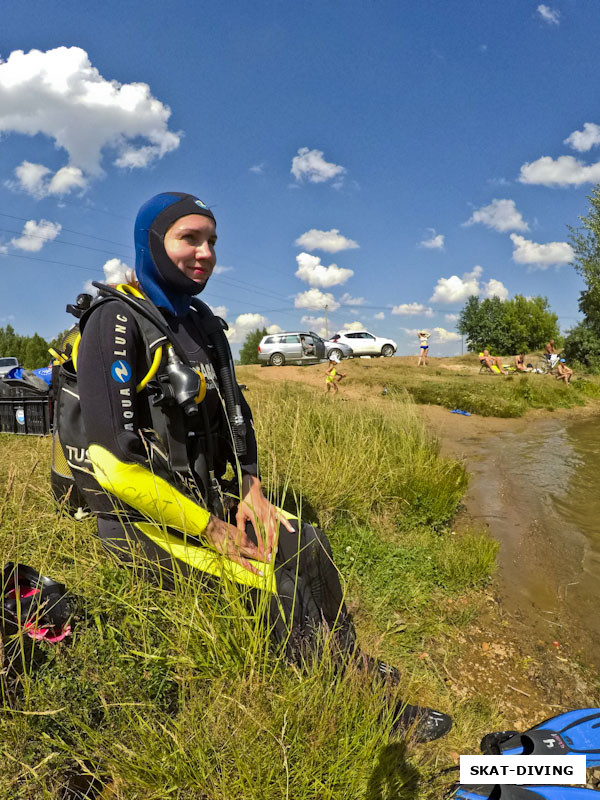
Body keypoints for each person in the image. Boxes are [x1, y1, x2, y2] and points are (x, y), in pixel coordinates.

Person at [73, 191, 451, 742]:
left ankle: (347, 662)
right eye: (189, 238)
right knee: (278, 586)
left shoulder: (200, 322)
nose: (204, 253)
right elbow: (115, 469)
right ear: (151, 244)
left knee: (308, 543)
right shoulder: (115, 323)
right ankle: (352, 708)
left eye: (212, 241)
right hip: (142, 524)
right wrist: (214, 530)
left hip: (204, 501)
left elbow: (236, 416)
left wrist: (251, 489)